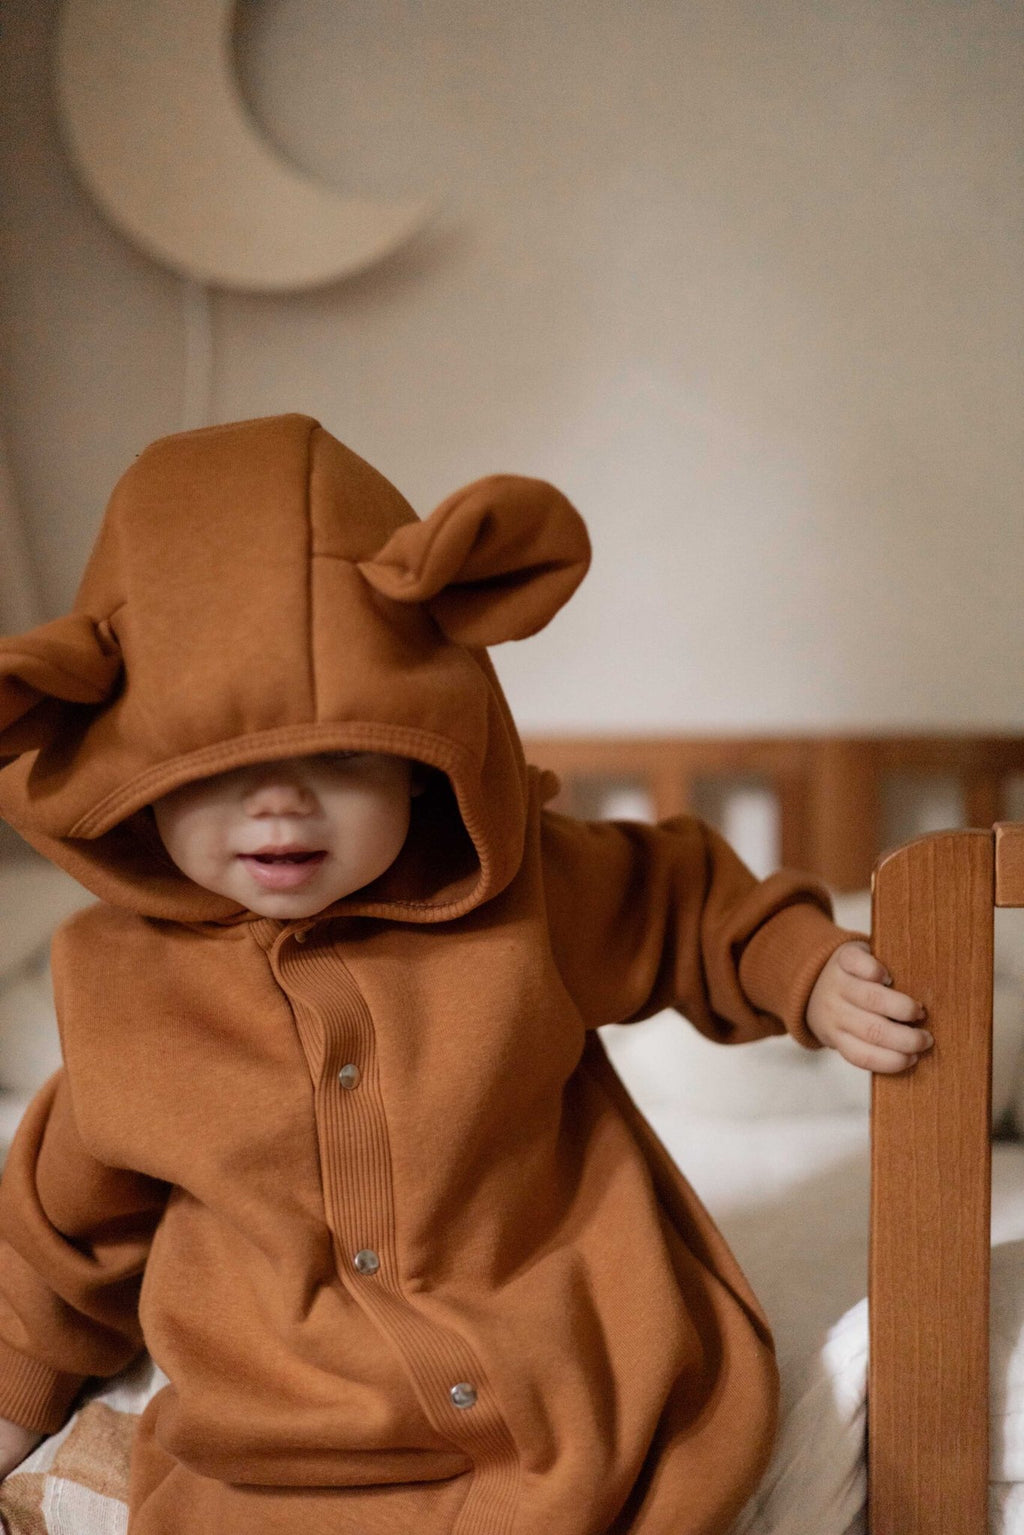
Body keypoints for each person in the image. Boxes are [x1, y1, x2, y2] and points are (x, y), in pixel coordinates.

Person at [0, 414, 928, 1534]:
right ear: (133, 784)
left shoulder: (525, 895)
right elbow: (59, 1231)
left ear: (425, 754)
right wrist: (15, 1393)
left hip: (576, 1377)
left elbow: (681, 901)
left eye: (343, 752)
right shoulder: (121, 992)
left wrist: (804, 968)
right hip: (285, 1432)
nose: (279, 804)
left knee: (668, 1475)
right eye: (216, 769)